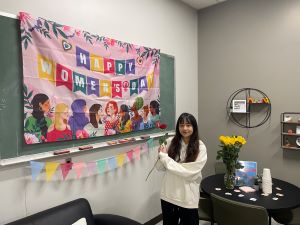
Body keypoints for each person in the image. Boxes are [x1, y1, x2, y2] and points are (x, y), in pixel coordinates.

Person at [155, 112, 207, 225]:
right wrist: (159, 155)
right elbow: (160, 168)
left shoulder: (200, 147)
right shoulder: (170, 142)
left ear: (194, 127)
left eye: (188, 125)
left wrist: (165, 158)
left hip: (187, 197)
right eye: (181, 125)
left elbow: (188, 172)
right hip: (168, 194)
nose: (184, 128)